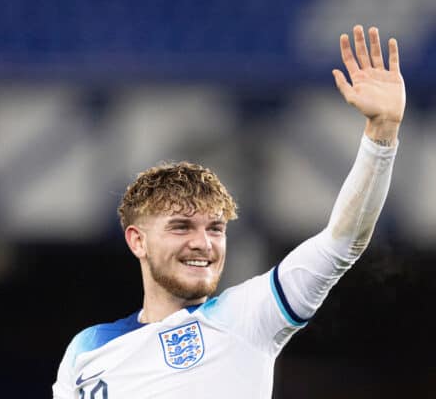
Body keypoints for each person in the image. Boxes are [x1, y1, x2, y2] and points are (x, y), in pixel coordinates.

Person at [52, 25, 405, 398]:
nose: (203, 243)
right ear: (137, 240)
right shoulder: (86, 350)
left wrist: (382, 133)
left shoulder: (247, 318)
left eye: (215, 229)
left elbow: (342, 242)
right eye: (181, 227)